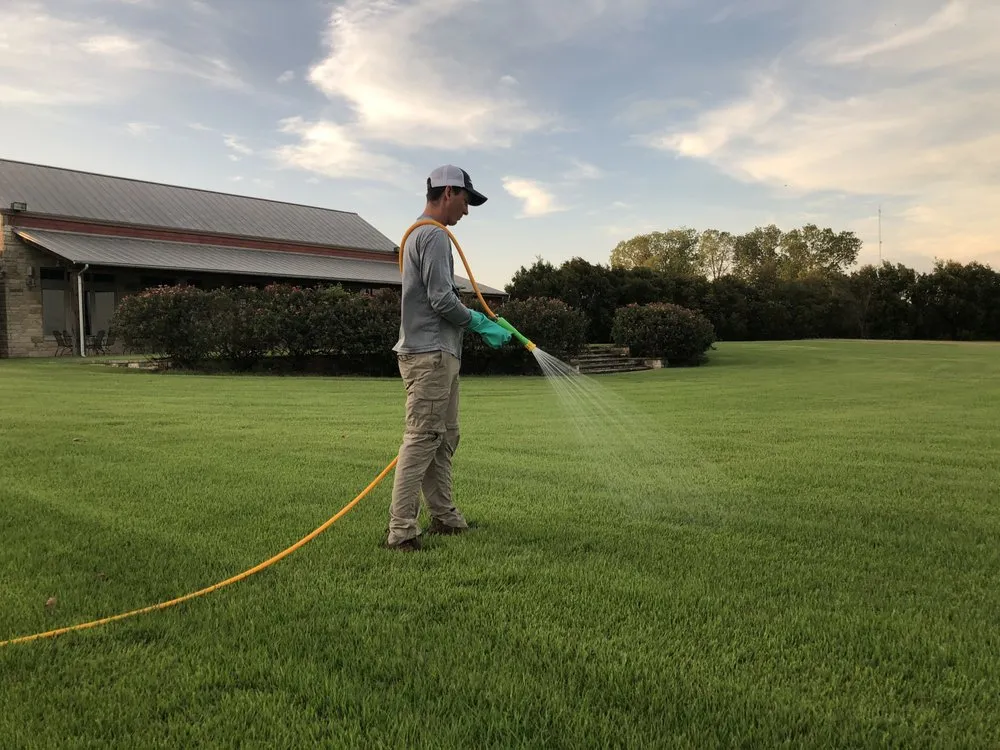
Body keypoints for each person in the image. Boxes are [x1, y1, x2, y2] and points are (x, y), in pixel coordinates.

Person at [384, 165, 512, 551]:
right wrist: (479, 322)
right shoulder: (434, 237)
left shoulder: (417, 235)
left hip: (439, 353)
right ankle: (401, 531)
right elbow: (441, 299)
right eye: (466, 201)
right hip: (430, 356)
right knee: (423, 439)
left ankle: (445, 517)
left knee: (444, 438)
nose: (467, 211)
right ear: (448, 192)